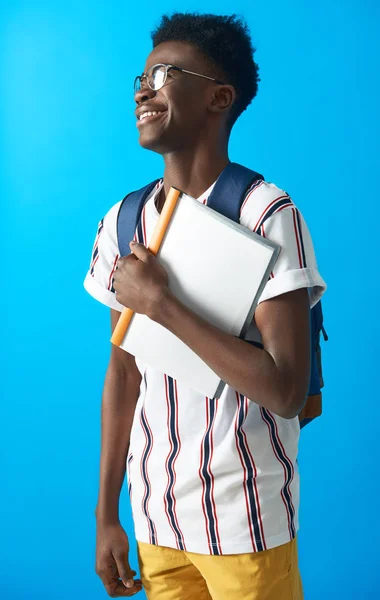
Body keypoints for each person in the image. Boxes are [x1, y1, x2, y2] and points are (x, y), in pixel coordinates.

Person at [83, 12, 326, 600]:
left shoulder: (266, 214)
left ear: (220, 96)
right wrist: (106, 514)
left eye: (164, 74)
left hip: (245, 516)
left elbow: (285, 390)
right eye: (141, 77)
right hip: (155, 515)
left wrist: (162, 304)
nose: (144, 87)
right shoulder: (122, 222)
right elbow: (123, 369)